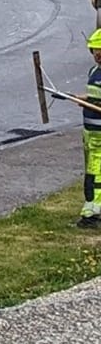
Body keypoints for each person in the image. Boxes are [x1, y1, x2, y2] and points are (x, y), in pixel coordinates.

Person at [78, 29, 101, 228]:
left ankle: (92, 212)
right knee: (91, 170)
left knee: (96, 172)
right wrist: (83, 98)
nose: (98, 54)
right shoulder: (94, 72)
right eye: (95, 50)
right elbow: (94, 95)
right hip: (89, 131)